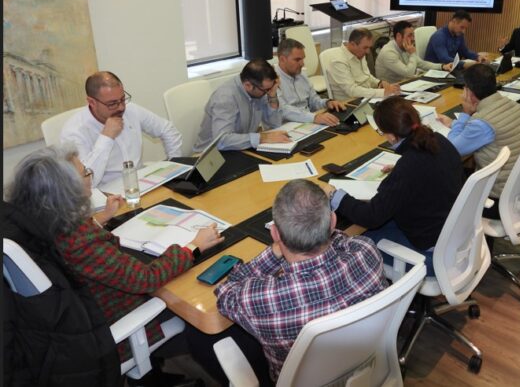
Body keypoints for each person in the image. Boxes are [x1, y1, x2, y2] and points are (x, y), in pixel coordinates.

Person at [4, 144, 224, 363]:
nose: (89, 176)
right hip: (115, 323)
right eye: (85, 173)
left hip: (81, 316)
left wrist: (102, 218)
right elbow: (146, 279)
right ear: (67, 190)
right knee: (203, 307)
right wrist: (194, 246)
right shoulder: (81, 241)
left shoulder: (42, 222)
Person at [189, 179, 387, 385]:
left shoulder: (262, 299)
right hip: (366, 372)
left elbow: (226, 291)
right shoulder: (367, 252)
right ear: (333, 221)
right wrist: (322, 230)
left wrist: (275, 252)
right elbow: (342, 241)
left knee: (200, 339)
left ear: (275, 233)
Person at [322, 97, 463, 275]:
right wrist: (400, 171)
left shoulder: (409, 166)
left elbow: (371, 216)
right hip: (454, 233)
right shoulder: (439, 140)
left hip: (431, 248)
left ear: (390, 135)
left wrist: (334, 195)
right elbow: (429, 168)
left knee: (356, 238)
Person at [61, 71, 183, 189]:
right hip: (105, 193)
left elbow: (167, 130)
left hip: (142, 182)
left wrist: (175, 167)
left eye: (123, 99)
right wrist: (106, 137)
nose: (121, 107)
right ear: (92, 102)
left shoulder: (130, 110)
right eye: (112, 104)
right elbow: (86, 182)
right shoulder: (74, 132)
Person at [437, 64, 520, 216]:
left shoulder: (482, 123)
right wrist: (454, 124)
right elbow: (488, 129)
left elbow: (452, 149)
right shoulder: (515, 106)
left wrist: (465, 113)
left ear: (469, 93)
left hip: (495, 199)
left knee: (441, 184)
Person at [193, 59, 291, 152]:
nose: (267, 92)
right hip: (212, 156)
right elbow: (222, 140)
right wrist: (261, 137)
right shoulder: (225, 97)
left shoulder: (260, 90)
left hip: (240, 149)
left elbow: (274, 125)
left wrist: (272, 96)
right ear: (248, 85)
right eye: (266, 90)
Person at [275, 38, 346, 126]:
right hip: (287, 126)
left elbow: (314, 101)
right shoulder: (271, 80)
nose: (302, 64)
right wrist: (314, 117)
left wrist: (327, 103)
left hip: (308, 122)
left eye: (302, 59)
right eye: (297, 60)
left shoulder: (302, 75)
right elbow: (283, 110)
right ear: (282, 59)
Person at [324, 28, 401, 101]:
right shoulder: (338, 61)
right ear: (353, 44)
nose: (368, 52)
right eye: (365, 48)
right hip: (350, 102)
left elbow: (367, 76)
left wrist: (379, 83)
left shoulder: (358, 53)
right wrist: (383, 92)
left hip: (365, 97)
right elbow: (352, 91)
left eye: (369, 47)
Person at [375, 20, 453, 83]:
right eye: (409, 35)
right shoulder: (388, 52)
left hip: (404, 84)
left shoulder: (405, 46)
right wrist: (412, 54)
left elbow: (421, 63)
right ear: (399, 36)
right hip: (390, 90)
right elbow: (408, 73)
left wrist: (442, 66)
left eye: (413, 35)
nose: (413, 39)